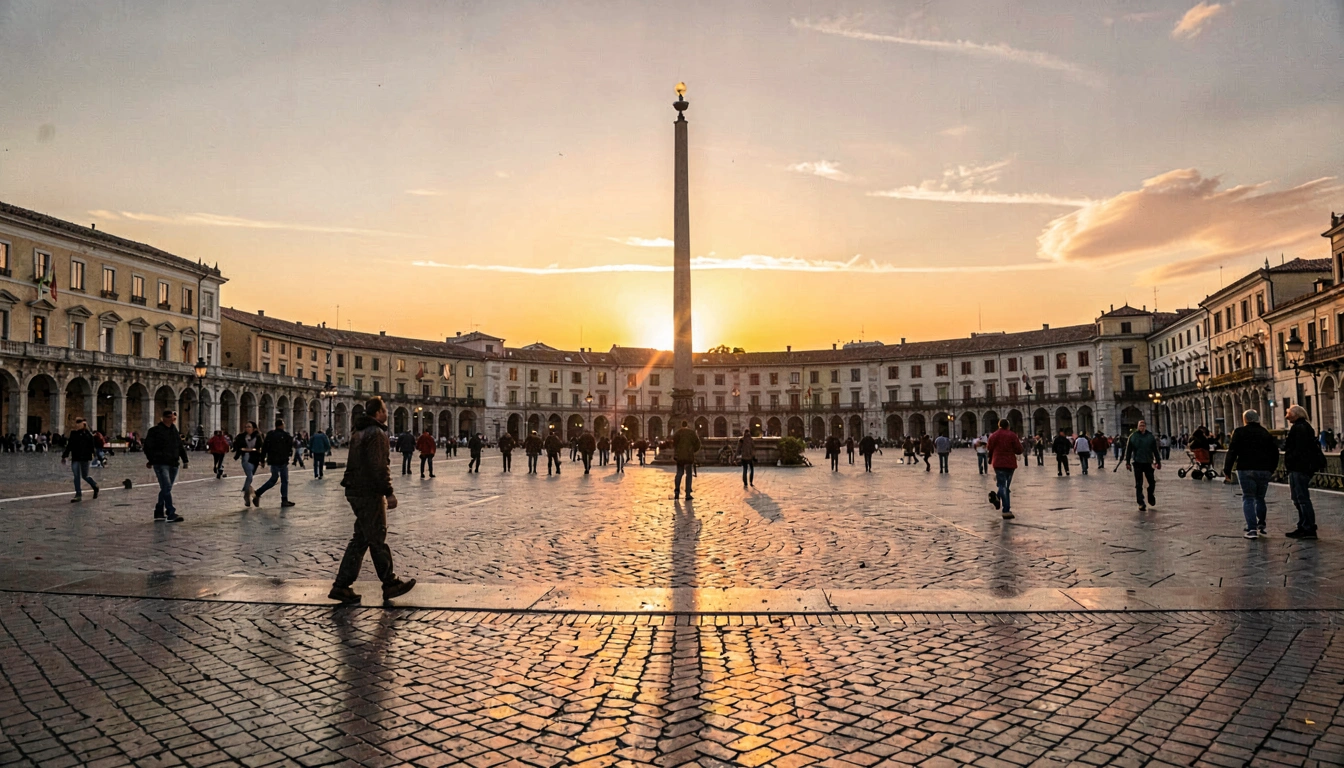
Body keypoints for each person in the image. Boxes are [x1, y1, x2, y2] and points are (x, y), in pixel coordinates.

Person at [329, 396, 415, 605]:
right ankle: (390, 583)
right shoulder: (376, 433)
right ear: (377, 412)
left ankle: (342, 586)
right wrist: (388, 492)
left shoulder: (358, 431)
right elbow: (378, 466)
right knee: (377, 536)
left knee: (362, 539)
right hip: (368, 491)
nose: (387, 413)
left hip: (355, 489)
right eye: (384, 409)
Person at [1221, 409, 1281, 538]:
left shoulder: (1239, 432)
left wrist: (1227, 470)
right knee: (1260, 498)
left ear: (1245, 420)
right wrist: (1272, 468)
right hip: (1264, 469)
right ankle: (1262, 523)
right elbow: (1275, 452)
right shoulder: (1265, 433)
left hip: (1245, 468)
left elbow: (1232, 452)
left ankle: (1252, 529)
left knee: (1248, 498)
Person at [1283, 404, 1324, 539]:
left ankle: (1308, 527)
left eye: (1288, 413)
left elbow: (1299, 449)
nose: (1286, 415)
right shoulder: (1302, 427)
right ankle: (1303, 525)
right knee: (1298, 498)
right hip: (1299, 467)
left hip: (1299, 468)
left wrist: (1291, 460)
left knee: (1302, 498)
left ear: (1296, 414)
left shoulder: (1300, 428)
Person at [143, 409, 189, 522]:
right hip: (161, 463)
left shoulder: (174, 431)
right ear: (164, 418)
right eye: (170, 417)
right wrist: (152, 460)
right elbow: (147, 447)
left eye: (173, 418)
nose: (172, 419)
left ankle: (159, 511)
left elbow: (180, 446)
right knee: (166, 487)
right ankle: (170, 512)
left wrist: (185, 460)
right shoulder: (155, 431)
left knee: (166, 488)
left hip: (174, 463)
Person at [254, 419, 296, 507]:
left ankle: (258, 493)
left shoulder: (270, 435)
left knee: (274, 479)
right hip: (283, 461)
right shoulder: (286, 435)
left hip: (273, 460)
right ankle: (284, 500)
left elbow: (264, 448)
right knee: (284, 480)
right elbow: (290, 448)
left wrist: (262, 460)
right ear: (282, 425)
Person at [986, 419, 1023, 520]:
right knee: (1005, 486)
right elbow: (1019, 450)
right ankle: (1006, 510)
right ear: (1008, 426)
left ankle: (997, 498)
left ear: (999, 426)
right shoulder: (1012, 435)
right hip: (1010, 463)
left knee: (1003, 485)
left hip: (997, 463)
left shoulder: (993, 435)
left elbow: (989, 447)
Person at [1122, 421, 1160, 512]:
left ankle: (1150, 495)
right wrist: (1127, 462)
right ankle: (1141, 503)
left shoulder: (1150, 437)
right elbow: (1128, 450)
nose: (1142, 427)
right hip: (1137, 462)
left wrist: (1158, 461)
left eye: (1143, 426)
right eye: (1140, 426)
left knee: (1152, 482)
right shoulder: (1133, 436)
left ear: (1145, 426)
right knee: (1139, 484)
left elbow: (1155, 450)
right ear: (1138, 426)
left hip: (1148, 462)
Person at [61, 418, 100, 502]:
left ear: (84, 425)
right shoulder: (73, 434)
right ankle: (78, 494)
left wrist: (95, 456)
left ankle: (94, 485)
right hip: (75, 457)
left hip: (85, 458)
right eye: (77, 424)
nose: (77, 426)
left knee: (85, 476)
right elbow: (69, 446)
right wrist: (64, 456)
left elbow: (92, 446)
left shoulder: (88, 435)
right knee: (76, 476)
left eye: (79, 424)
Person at [233, 421, 262, 505]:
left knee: (249, 478)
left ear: (253, 428)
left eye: (249, 426)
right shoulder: (241, 436)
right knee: (249, 476)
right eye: (246, 426)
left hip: (255, 459)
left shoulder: (258, 436)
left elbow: (260, 447)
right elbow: (237, 446)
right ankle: (246, 494)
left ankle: (254, 496)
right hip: (246, 458)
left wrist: (262, 459)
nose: (247, 428)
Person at [672, 420, 700, 500]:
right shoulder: (692, 433)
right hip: (688, 456)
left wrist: (677, 451)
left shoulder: (677, 433)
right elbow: (698, 444)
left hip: (680, 457)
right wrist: (693, 450)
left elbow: (673, 443)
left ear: (681, 424)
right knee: (689, 474)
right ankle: (687, 494)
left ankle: (677, 490)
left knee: (679, 473)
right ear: (687, 425)